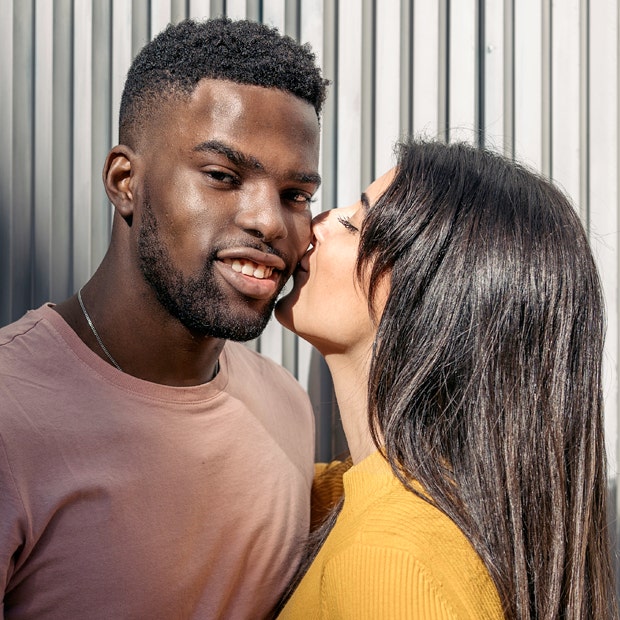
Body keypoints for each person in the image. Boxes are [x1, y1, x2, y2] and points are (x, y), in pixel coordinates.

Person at [0, 17, 328, 620]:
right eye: (224, 177)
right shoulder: (9, 411)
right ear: (126, 182)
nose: (270, 223)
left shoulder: (288, 406)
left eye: (296, 195)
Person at [275, 139, 618, 619]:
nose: (316, 225)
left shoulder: (390, 559)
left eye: (354, 223)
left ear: (429, 299)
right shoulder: (361, 498)